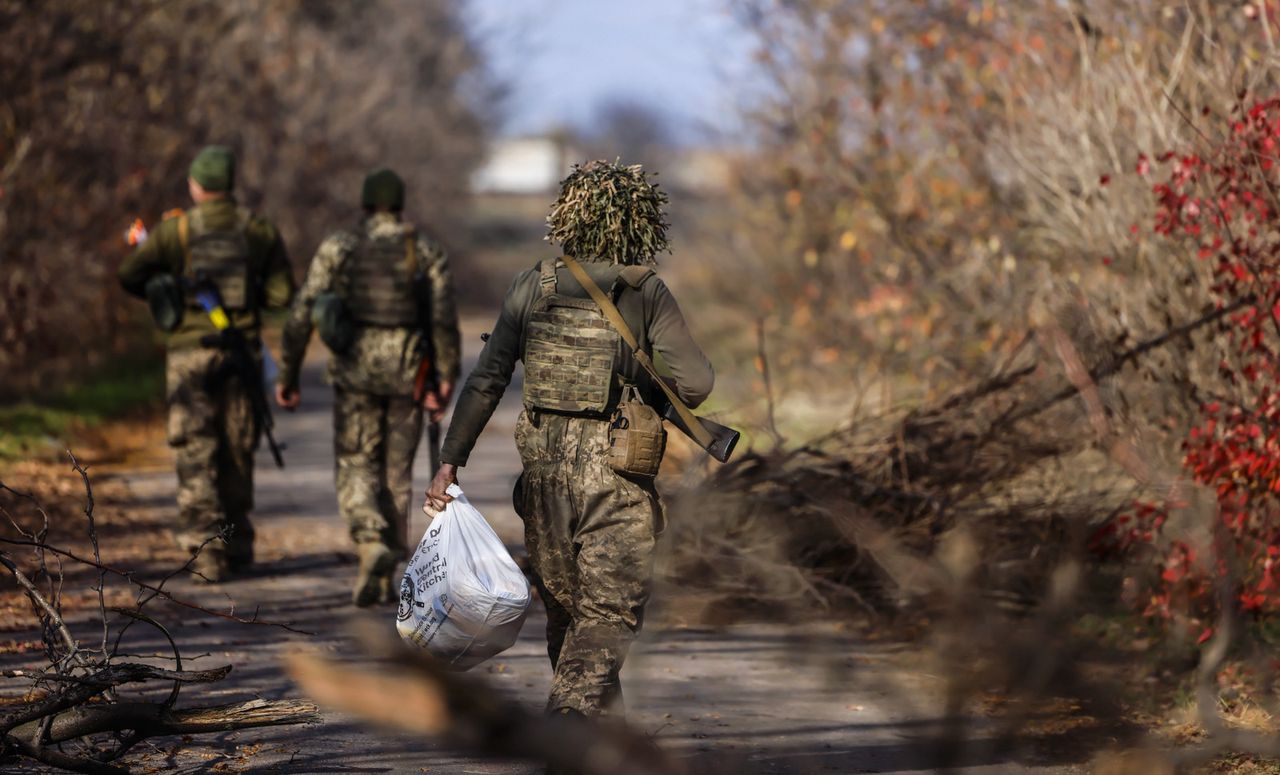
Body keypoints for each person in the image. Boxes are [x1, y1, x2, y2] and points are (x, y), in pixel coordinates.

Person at [424, 160, 715, 718]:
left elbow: (487, 378)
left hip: (545, 484)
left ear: (568, 218)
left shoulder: (534, 285)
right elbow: (697, 385)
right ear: (641, 222)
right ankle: (568, 720)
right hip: (619, 479)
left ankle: (605, 743)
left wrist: (449, 463)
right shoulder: (645, 290)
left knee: (568, 617)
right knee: (609, 617)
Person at [277, 168, 460, 606]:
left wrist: (288, 372)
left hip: (354, 374)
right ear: (399, 204)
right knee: (397, 473)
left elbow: (304, 309)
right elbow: (442, 319)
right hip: (408, 373)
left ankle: (369, 539)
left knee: (356, 462)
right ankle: (390, 561)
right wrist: (446, 376)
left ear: (364, 204)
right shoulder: (426, 251)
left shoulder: (340, 246)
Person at [118, 145, 295, 582]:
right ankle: (236, 545)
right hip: (241, 354)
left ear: (196, 185)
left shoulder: (173, 233)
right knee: (237, 448)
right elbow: (281, 296)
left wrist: (167, 292)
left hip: (189, 355)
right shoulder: (258, 231)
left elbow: (130, 275)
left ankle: (206, 552)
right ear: (231, 184)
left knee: (195, 449)